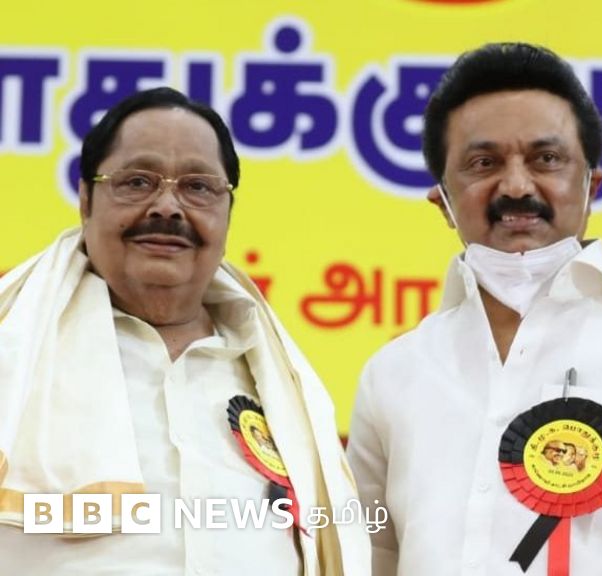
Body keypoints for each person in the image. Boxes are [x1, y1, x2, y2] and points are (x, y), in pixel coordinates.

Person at [347, 42, 602, 576]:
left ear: (591, 186)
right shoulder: (391, 374)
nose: (516, 186)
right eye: (483, 163)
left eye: (546, 159)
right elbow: (368, 558)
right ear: (442, 200)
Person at [0, 87, 370, 576]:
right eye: (137, 181)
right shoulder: (16, 348)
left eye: (198, 186)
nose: (168, 207)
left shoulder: (276, 379)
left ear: (227, 212)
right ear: (86, 200)